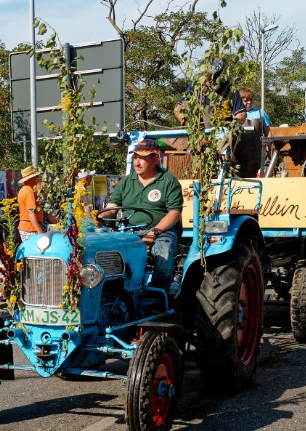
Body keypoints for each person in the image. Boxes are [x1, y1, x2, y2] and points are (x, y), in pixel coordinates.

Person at [97, 139, 184, 294]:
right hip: (128, 230)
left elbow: (174, 213)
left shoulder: (169, 181)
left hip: (161, 231)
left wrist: (154, 232)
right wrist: (99, 217)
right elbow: (112, 208)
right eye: (135, 157)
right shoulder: (126, 182)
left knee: (162, 252)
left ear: (155, 159)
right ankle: (114, 294)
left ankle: (157, 296)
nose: (137, 162)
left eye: (142, 158)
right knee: (105, 250)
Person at [174, 58, 247, 127]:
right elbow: (177, 109)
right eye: (207, 76)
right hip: (195, 133)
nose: (209, 80)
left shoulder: (230, 90)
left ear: (221, 74)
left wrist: (231, 127)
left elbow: (241, 113)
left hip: (221, 134)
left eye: (214, 77)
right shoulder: (194, 87)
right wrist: (184, 120)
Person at [17, 166, 50, 241]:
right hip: (30, 228)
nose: (37, 178)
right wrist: (39, 230)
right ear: (30, 178)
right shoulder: (29, 192)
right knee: (34, 251)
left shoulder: (23, 190)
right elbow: (31, 212)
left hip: (28, 227)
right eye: (35, 176)